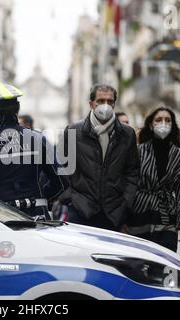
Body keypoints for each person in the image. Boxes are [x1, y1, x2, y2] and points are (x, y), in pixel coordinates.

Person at [0, 82, 67, 219]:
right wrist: (41, 198)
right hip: (37, 219)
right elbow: (62, 181)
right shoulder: (39, 140)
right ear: (17, 110)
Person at [59, 84, 140, 231]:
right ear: (91, 104)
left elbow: (132, 171)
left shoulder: (127, 134)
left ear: (114, 103)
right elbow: (64, 169)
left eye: (110, 101)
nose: (106, 105)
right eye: (100, 101)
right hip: (80, 211)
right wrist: (70, 198)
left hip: (113, 213)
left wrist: (126, 203)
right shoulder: (73, 131)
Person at [127, 106, 180, 252]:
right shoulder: (139, 151)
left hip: (166, 215)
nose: (163, 123)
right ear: (151, 124)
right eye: (159, 120)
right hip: (140, 213)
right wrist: (123, 219)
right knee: (140, 263)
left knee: (166, 263)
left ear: (172, 125)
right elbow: (129, 185)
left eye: (168, 120)